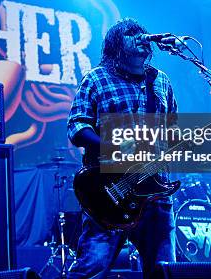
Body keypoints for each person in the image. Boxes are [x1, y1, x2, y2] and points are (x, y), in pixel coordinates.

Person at [67, 18, 177, 278]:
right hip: (110, 192)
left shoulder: (161, 81)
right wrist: (113, 146)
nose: (140, 36)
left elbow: (171, 129)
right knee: (91, 268)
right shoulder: (96, 79)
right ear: (116, 43)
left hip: (155, 193)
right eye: (130, 34)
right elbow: (77, 128)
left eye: (142, 32)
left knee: (165, 272)